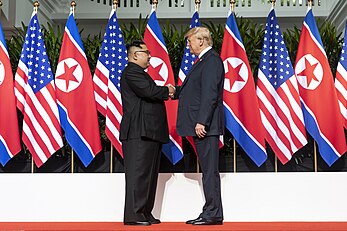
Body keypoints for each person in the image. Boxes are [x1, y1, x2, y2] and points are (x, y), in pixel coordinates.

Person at [119, 40, 175, 226]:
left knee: (149, 175)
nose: (149, 55)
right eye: (146, 52)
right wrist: (167, 90)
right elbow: (150, 91)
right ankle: (134, 215)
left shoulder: (140, 73)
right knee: (138, 174)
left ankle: (144, 212)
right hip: (138, 132)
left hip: (148, 132)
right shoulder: (132, 72)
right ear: (135, 55)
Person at [173, 27, 225, 225]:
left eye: (190, 41)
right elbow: (192, 91)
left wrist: (201, 121)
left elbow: (210, 94)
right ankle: (211, 211)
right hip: (202, 125)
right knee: (207, 170)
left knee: (209, 171)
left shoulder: (211, 60)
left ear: (201, 41)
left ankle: (213, 213)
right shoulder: (204, 61)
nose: (188, 45)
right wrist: (172, 91)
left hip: (205, 126)